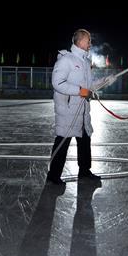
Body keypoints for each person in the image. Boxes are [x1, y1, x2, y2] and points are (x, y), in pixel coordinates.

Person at [46, 29, 102, 185]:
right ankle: (53, 175)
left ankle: (84, 172)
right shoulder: (66, 59)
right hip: (68, 110)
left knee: (85, 141)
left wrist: (106, 81)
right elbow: (58, 83)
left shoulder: (85, 62)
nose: (90, 43)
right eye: (88, 40)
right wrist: (81, 91)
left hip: (82, 110)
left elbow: (88, 87)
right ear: (79, 41)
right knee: (62, 142)